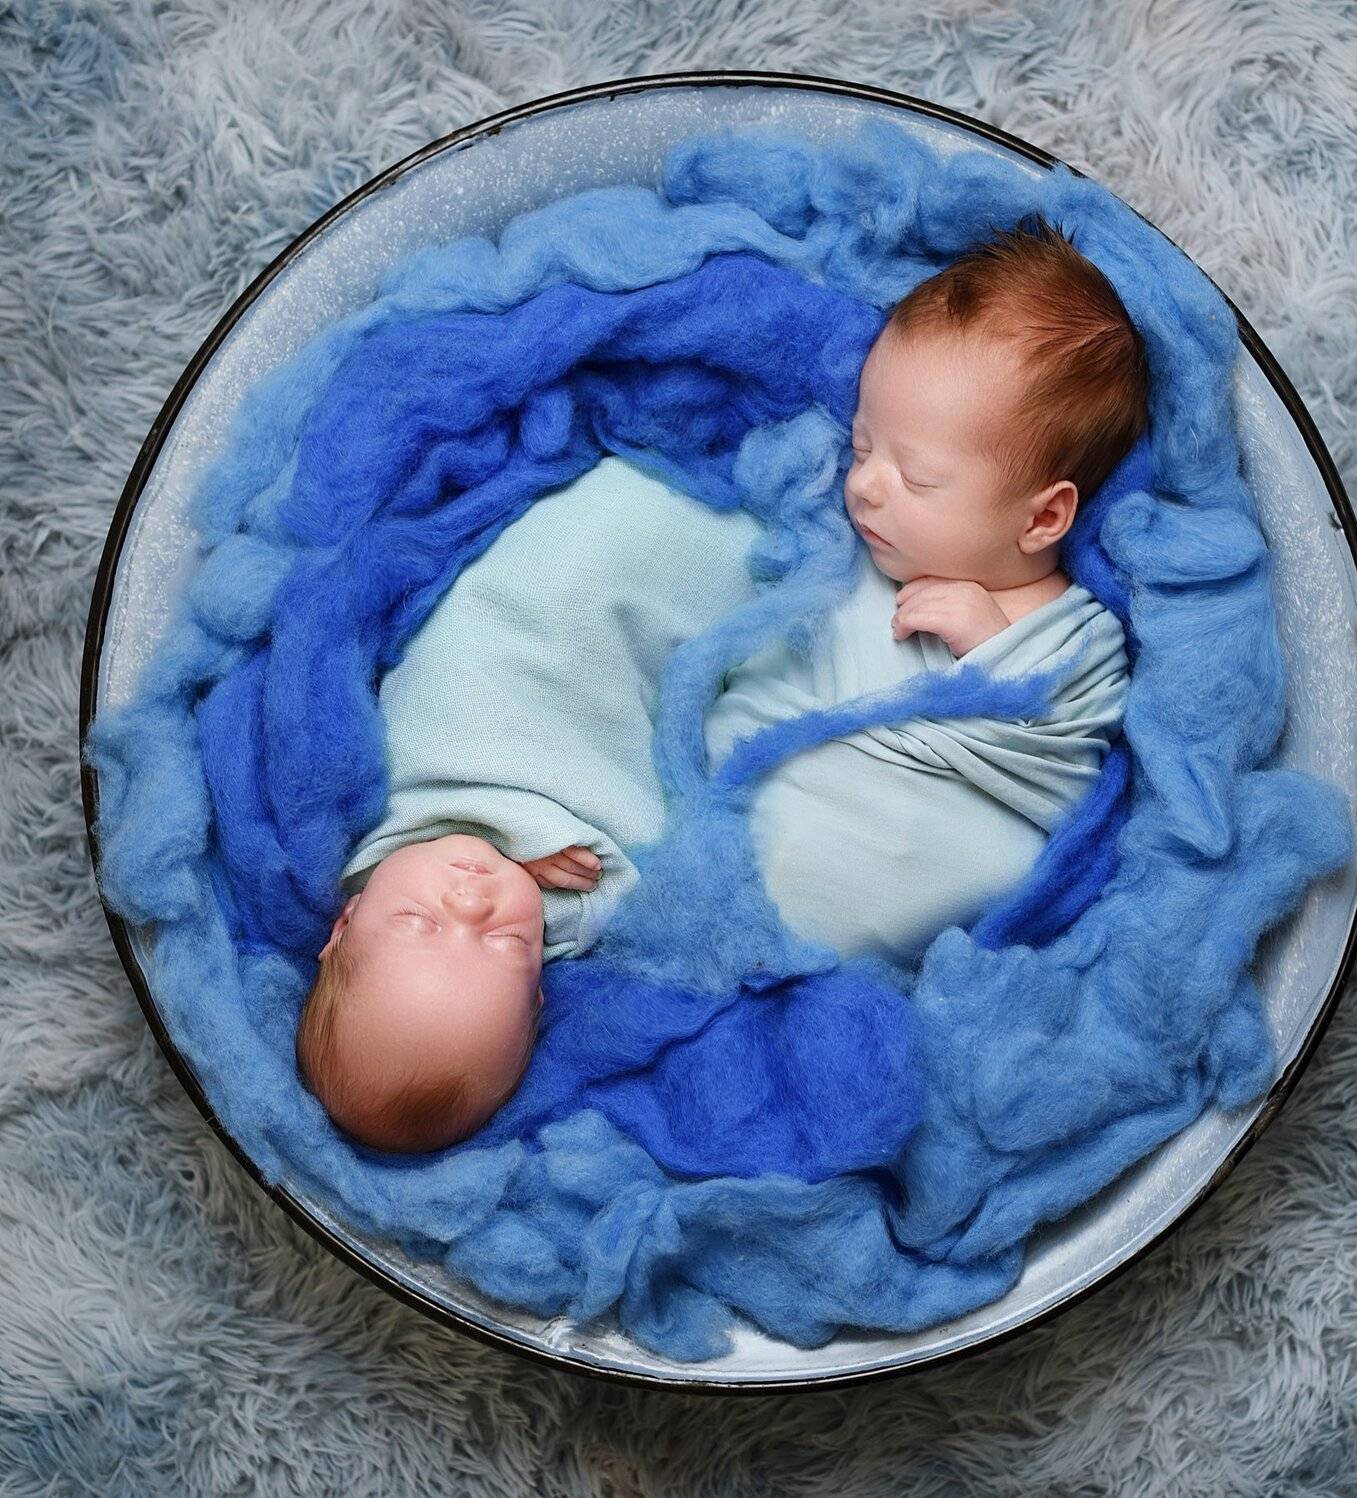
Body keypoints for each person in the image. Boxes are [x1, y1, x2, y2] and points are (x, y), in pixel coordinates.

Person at [296, 216, 1148, 1154]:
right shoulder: (861, 561)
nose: (863, 487)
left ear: (1045, 518)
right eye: (863, 445)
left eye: (913, 473)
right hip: (762, 889)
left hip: (942, 840)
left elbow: (1077, 743)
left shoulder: (1061, 624)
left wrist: (997, 659)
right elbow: (745, 671)